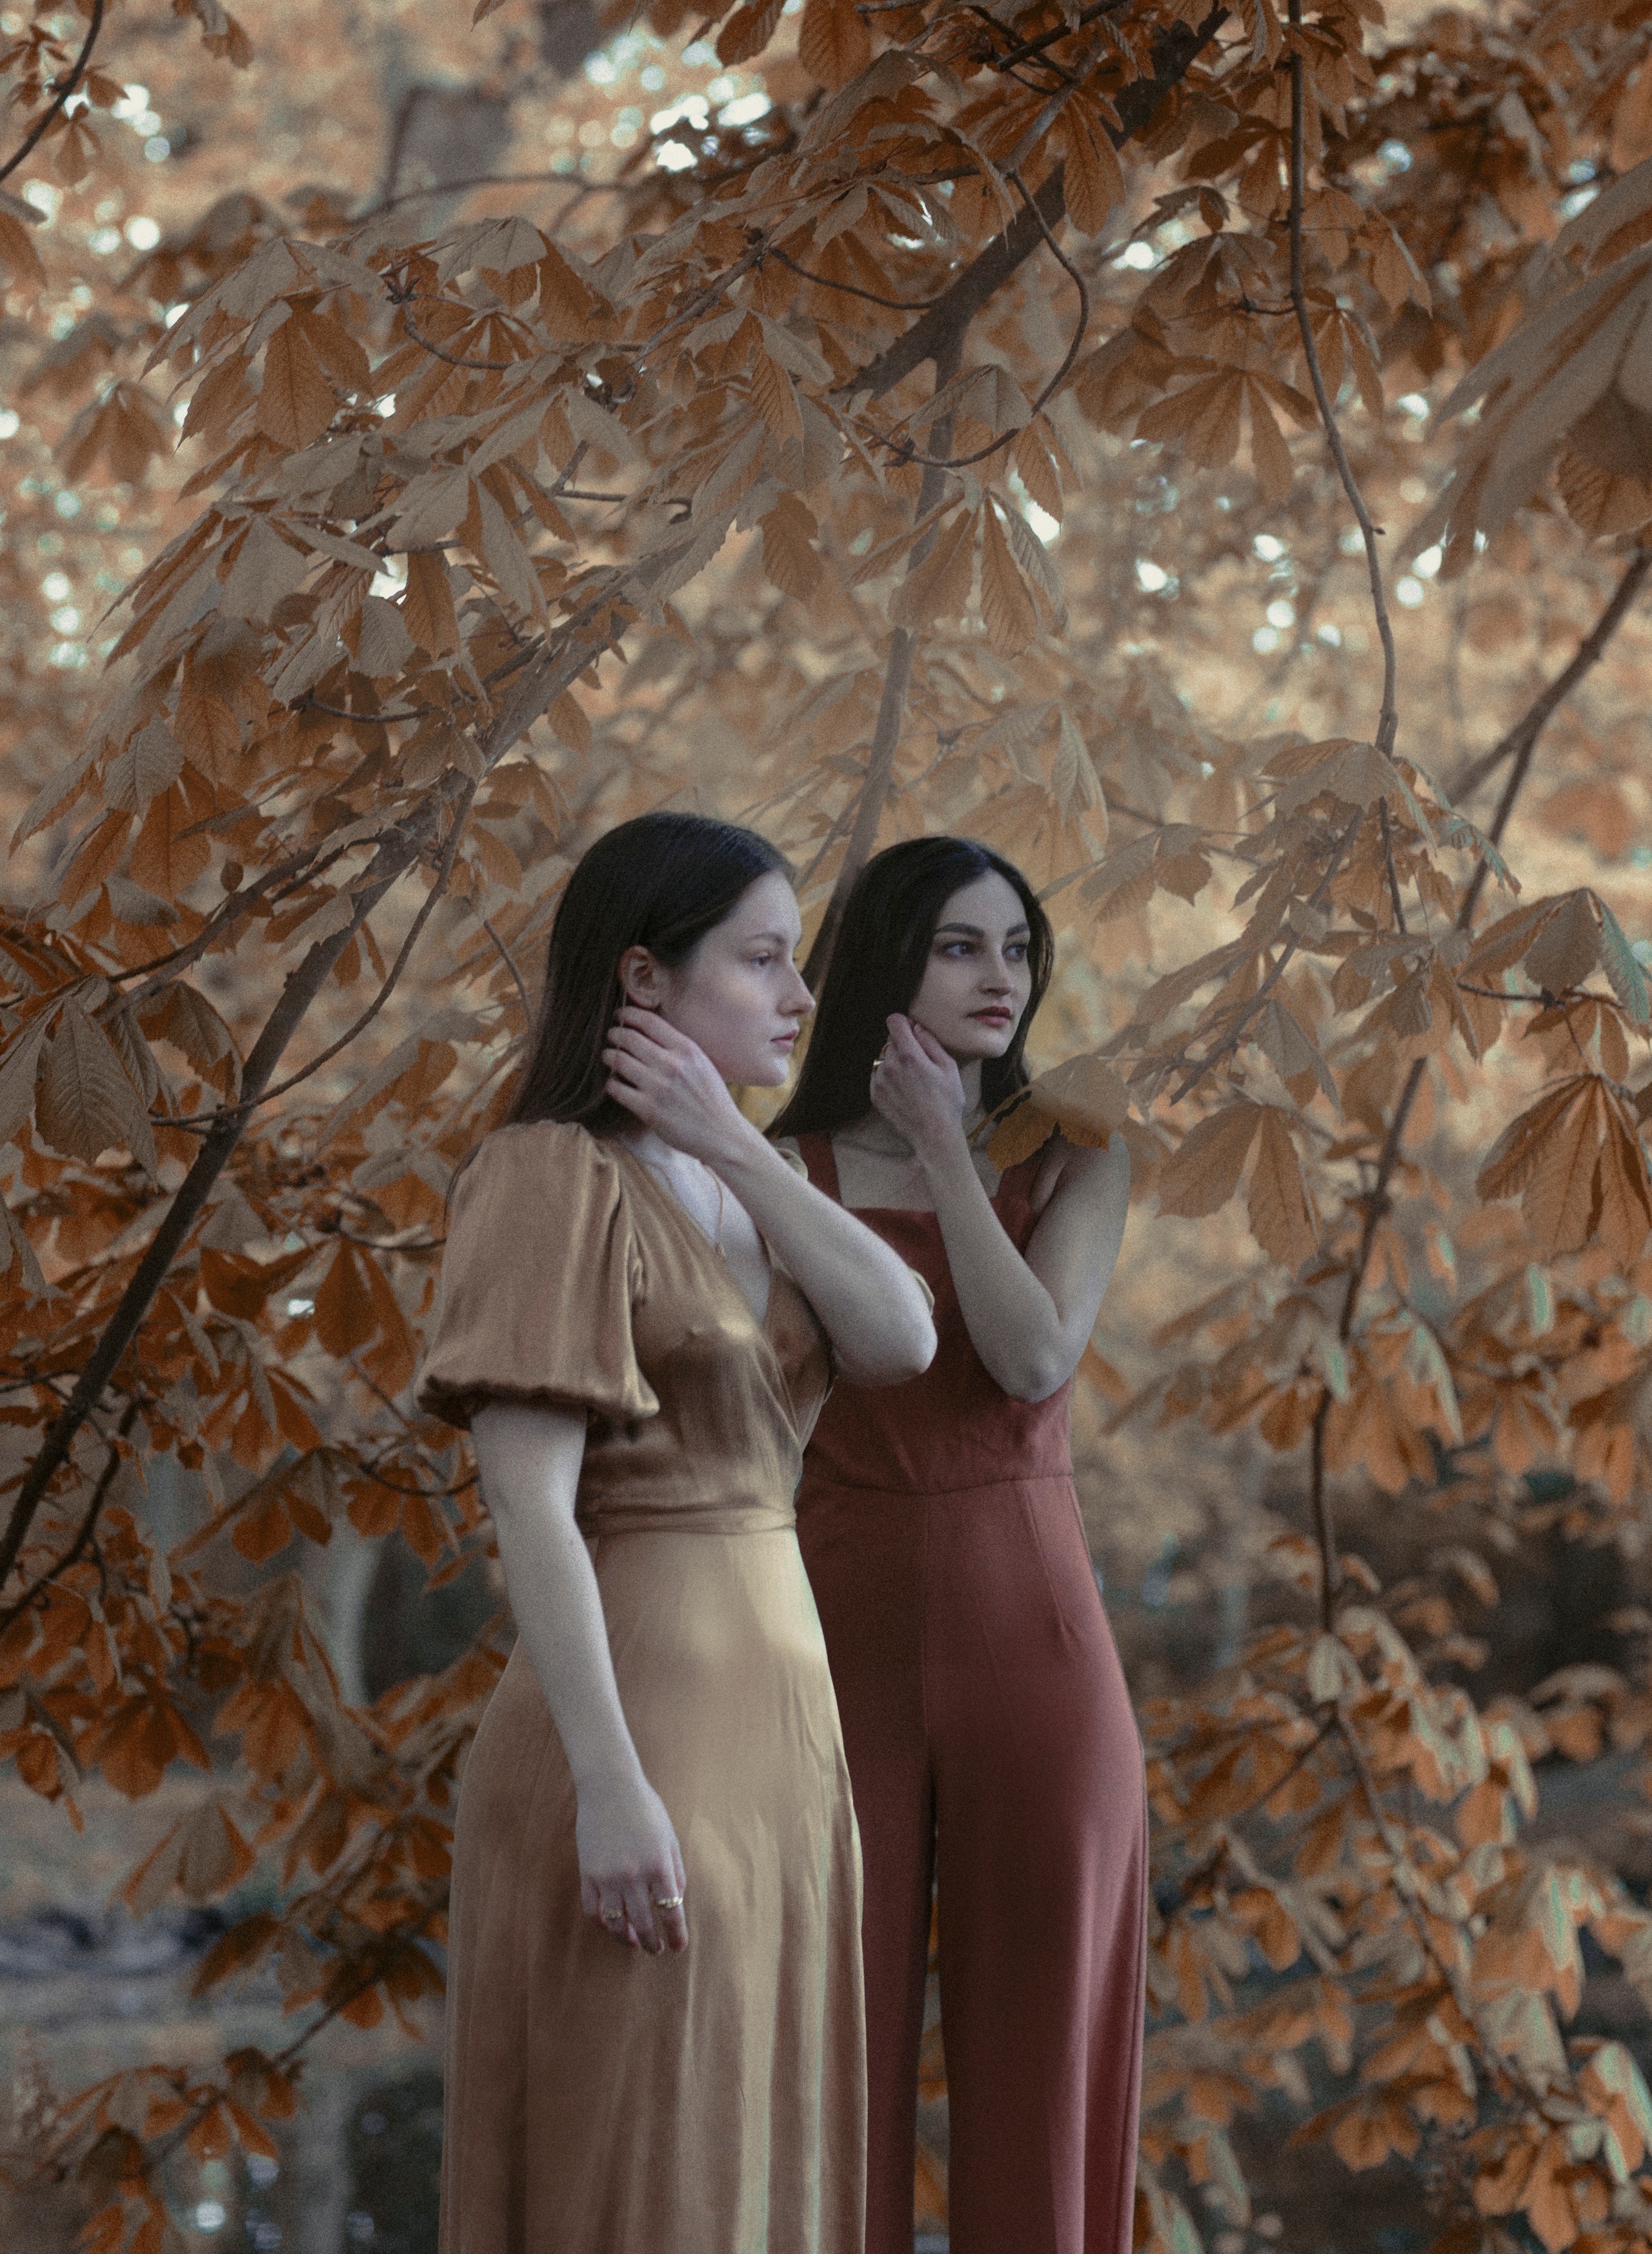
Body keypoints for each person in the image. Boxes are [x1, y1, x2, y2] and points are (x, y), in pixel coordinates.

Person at [416, 810, 937, 2254]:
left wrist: (737, 1145)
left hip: (780, 1731)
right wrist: (608, 1785)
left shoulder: (751, 1189)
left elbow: (898, 1336)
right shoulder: (548, 1176)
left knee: (757, 2152)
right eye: (761, 958)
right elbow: (526, 1499)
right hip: (636, 1729)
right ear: (645, 981)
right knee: (644, 2150)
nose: (799, 995)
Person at [771, 835, 1145, 2254]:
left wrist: (945, 1147)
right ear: (883, 961)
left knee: (1041, 2062)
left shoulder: (1079, 1153)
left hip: (1030, 1633)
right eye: (957, 945)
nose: (1001, 977)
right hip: (822, 1625)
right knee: (825, 2057)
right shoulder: (779, 1168)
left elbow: (1031, 1354)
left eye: (1017, 947)